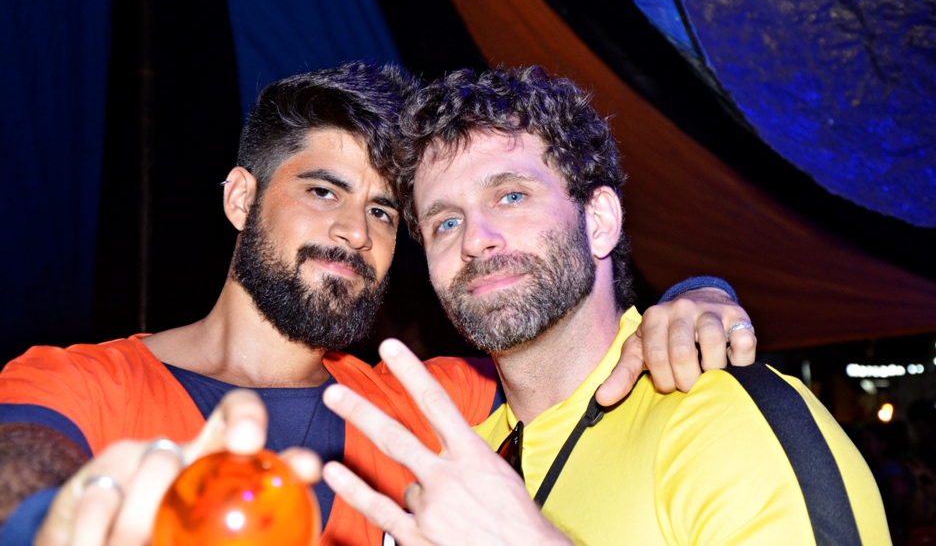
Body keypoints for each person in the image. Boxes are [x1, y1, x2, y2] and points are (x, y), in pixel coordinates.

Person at [0, 62, 755, 546]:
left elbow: (569, 350)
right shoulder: (78, 383)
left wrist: (693, 298)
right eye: (322, 191)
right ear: (241, 198)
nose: (355, 232)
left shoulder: (426, 404)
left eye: (384, 211)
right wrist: (56, 522)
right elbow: (20, 472)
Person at [320, 65, 891, 545]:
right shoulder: (463, 462)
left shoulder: (722, 415)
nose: (475, 239)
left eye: (511, 195)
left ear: (599, 221)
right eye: (445, 221)